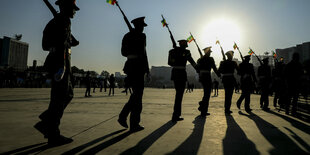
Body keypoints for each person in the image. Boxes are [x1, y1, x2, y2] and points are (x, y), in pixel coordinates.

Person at [34, 0, 79, 146]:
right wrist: (61, 65)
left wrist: (71, 40)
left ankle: (47, 122)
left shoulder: (61, 22)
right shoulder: (59, 22)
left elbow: (59, 43)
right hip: (59, 64)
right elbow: (50, 45)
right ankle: (53, 135)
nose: (75, 11)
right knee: (59, 97)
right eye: (72, 8)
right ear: (64, 8)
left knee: (67, 94)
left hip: (63, 63)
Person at [118, 17, 149, 132]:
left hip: (138, 67)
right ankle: (132, 122)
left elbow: (144, 53)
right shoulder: (129, 36)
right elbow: (123, 52)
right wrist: (134, 45)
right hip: (133, 66)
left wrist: (147, 70)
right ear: (137, 26)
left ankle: (125, 117)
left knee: (137, 95)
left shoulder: (141, 36)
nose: (143, 29)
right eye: (142, 26)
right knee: (137, 95)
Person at [168, 39, 198, 122]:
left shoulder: (172, 51)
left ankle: (176, 115)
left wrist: (176, 57)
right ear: (185, 45)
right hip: (181, 73)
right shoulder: (186, 52)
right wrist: (197, 69)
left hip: (175, 73)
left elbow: (170, 63)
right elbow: (191, 61)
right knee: (179, 95)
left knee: (178, 94)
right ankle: (176, 115)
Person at [196, 47, 220, 116]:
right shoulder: (210, 59)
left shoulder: (200, 59)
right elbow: (214, 68)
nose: (210, 54)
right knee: (207, 94)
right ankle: (202, 107)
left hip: (202, 77)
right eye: (209, 52)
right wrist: (219, 75)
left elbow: (197, 70)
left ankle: (203, 108)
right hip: (207, 77)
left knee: (206, 94)